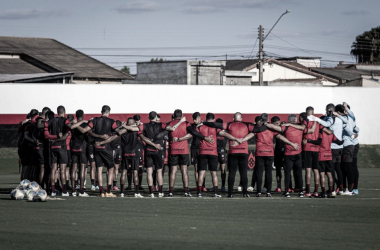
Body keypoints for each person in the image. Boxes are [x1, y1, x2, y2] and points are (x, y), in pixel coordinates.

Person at [137, 111, 186, 198]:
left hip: (148, 150)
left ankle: (151, 192)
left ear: (149, 118)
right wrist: (180, 121)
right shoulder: (161, 125)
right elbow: (172, 129)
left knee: (149, 172)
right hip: (158, 150)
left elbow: (138, 131)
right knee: (159, 171)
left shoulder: (144, 125)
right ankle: (160, 192)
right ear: (156, 117)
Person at [75, 105, 119, 197]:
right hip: (106, 147)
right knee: (111, 168)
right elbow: (118, 132)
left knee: (99, 169)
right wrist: (104, 139)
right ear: (108, 112)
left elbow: (86, 131)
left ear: (101, 111)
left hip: (96, 147)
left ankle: (101, 192)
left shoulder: (94, 120)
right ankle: (108, 191)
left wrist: (98, 137)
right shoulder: (111, 121)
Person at [190, 113, 235, 198]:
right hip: (213, 153)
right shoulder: (215, 127)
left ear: (206, 119)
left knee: (201, 172)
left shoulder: (200, 126)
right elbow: (224, 134)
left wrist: (179, 139)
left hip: (202, 152)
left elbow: (192, 134)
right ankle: (216, 192)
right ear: (214, 120)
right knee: (214, 173)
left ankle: (199, 192)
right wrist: (236, 139)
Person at [308, 104, 349, 195]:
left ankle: (332, 190)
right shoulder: (340, 119)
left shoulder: (331, 120)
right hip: (339, 146)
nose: (326, 112)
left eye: (327, 110)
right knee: (338, 169)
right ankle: (341, 189)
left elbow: (326, 124)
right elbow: (346, 122)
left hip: (332, 147)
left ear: (330, 110)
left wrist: (316, 119)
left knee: (330, 171)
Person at [265, 114, 303, 198]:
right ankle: (300, 192)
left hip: (289, 153)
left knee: (287, 172)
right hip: (298, 153)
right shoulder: (301, 128)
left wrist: (265, 123)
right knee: (299, 173)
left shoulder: (287, 127)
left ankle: (287, 191)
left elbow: (274, 128)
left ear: (289, 120)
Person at [44, 106, 71, 196]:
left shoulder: (51, 120)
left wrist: (53, 139)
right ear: (64, 112)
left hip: (53, 147)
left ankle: (52, 191)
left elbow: (44, 128)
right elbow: (68, 130)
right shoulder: (65, 120)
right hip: (62, 147)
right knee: (63, 170)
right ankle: (64, 191)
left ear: (57, 112)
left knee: (53, 169)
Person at [166, 109, 192, 197]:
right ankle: (186, 191)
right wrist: (181, 139)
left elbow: (166, 135)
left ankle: (170, 191)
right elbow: (191, 134)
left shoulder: (170, 123)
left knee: (173, 171)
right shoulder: (186, 123)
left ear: (173, 115)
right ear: (182, 116)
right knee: (184, 171)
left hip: (173, 149)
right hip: (184, 150)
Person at [318, 115, 343, 198]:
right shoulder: (331, 133)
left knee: (322, 174)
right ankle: (331, 191)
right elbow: (339, 142)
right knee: (329, 174)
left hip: (321, 155)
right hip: (329, 155)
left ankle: (324, 192)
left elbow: (317, 142)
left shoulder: (319, 133)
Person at [69, 110, 89, 197]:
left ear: (76, 116)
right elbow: (85, 132)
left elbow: (72, 127)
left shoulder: (73, 124)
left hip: (74, 148)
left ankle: (73, 190)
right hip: (82, 148)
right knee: (82, 169)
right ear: (83, 115)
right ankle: (81, 191)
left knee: (73, 169)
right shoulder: (84, 124)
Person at [344, 102, 360, 195]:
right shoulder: (344, 119)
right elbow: (357, 130)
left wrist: (347, 108)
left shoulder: (350, 118)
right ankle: (350, 188)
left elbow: (356, 131)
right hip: (349, 145)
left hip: (352, 145)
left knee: (352, 166)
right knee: (348, 167)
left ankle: (354, 188)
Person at [189, 112, 207, 192]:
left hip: (202, 148)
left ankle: (203, 186)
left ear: (199, 118)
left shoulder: (204, 125)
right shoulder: (192, 126)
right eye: (194, 119)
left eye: (195, 119)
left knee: (202, 168)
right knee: (196, 168)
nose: (194, 121)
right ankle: (198, 186)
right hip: (194, 149)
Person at [215, 118, 228, 193]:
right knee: (222, 169)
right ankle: (222, 186)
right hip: (222, 151)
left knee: (216, 170)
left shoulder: (216, 131)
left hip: (217, 151)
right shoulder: (225, 131)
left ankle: (218, 186)